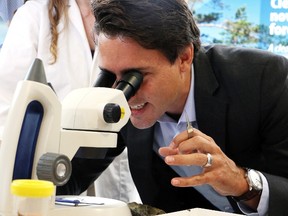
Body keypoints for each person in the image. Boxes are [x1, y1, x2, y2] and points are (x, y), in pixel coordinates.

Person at [56, 0, 288, 215]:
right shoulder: (119, 101)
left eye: (136, 76)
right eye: (110, 76)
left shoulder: (265, 79)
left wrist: (242, 183)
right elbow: (66, 179)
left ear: (184, 57)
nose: (123, 94)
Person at [0, 0, 140, 203]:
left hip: (120, 174)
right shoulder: (33, 17)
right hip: (48, 171)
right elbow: (6, 107)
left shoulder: (141, 14)